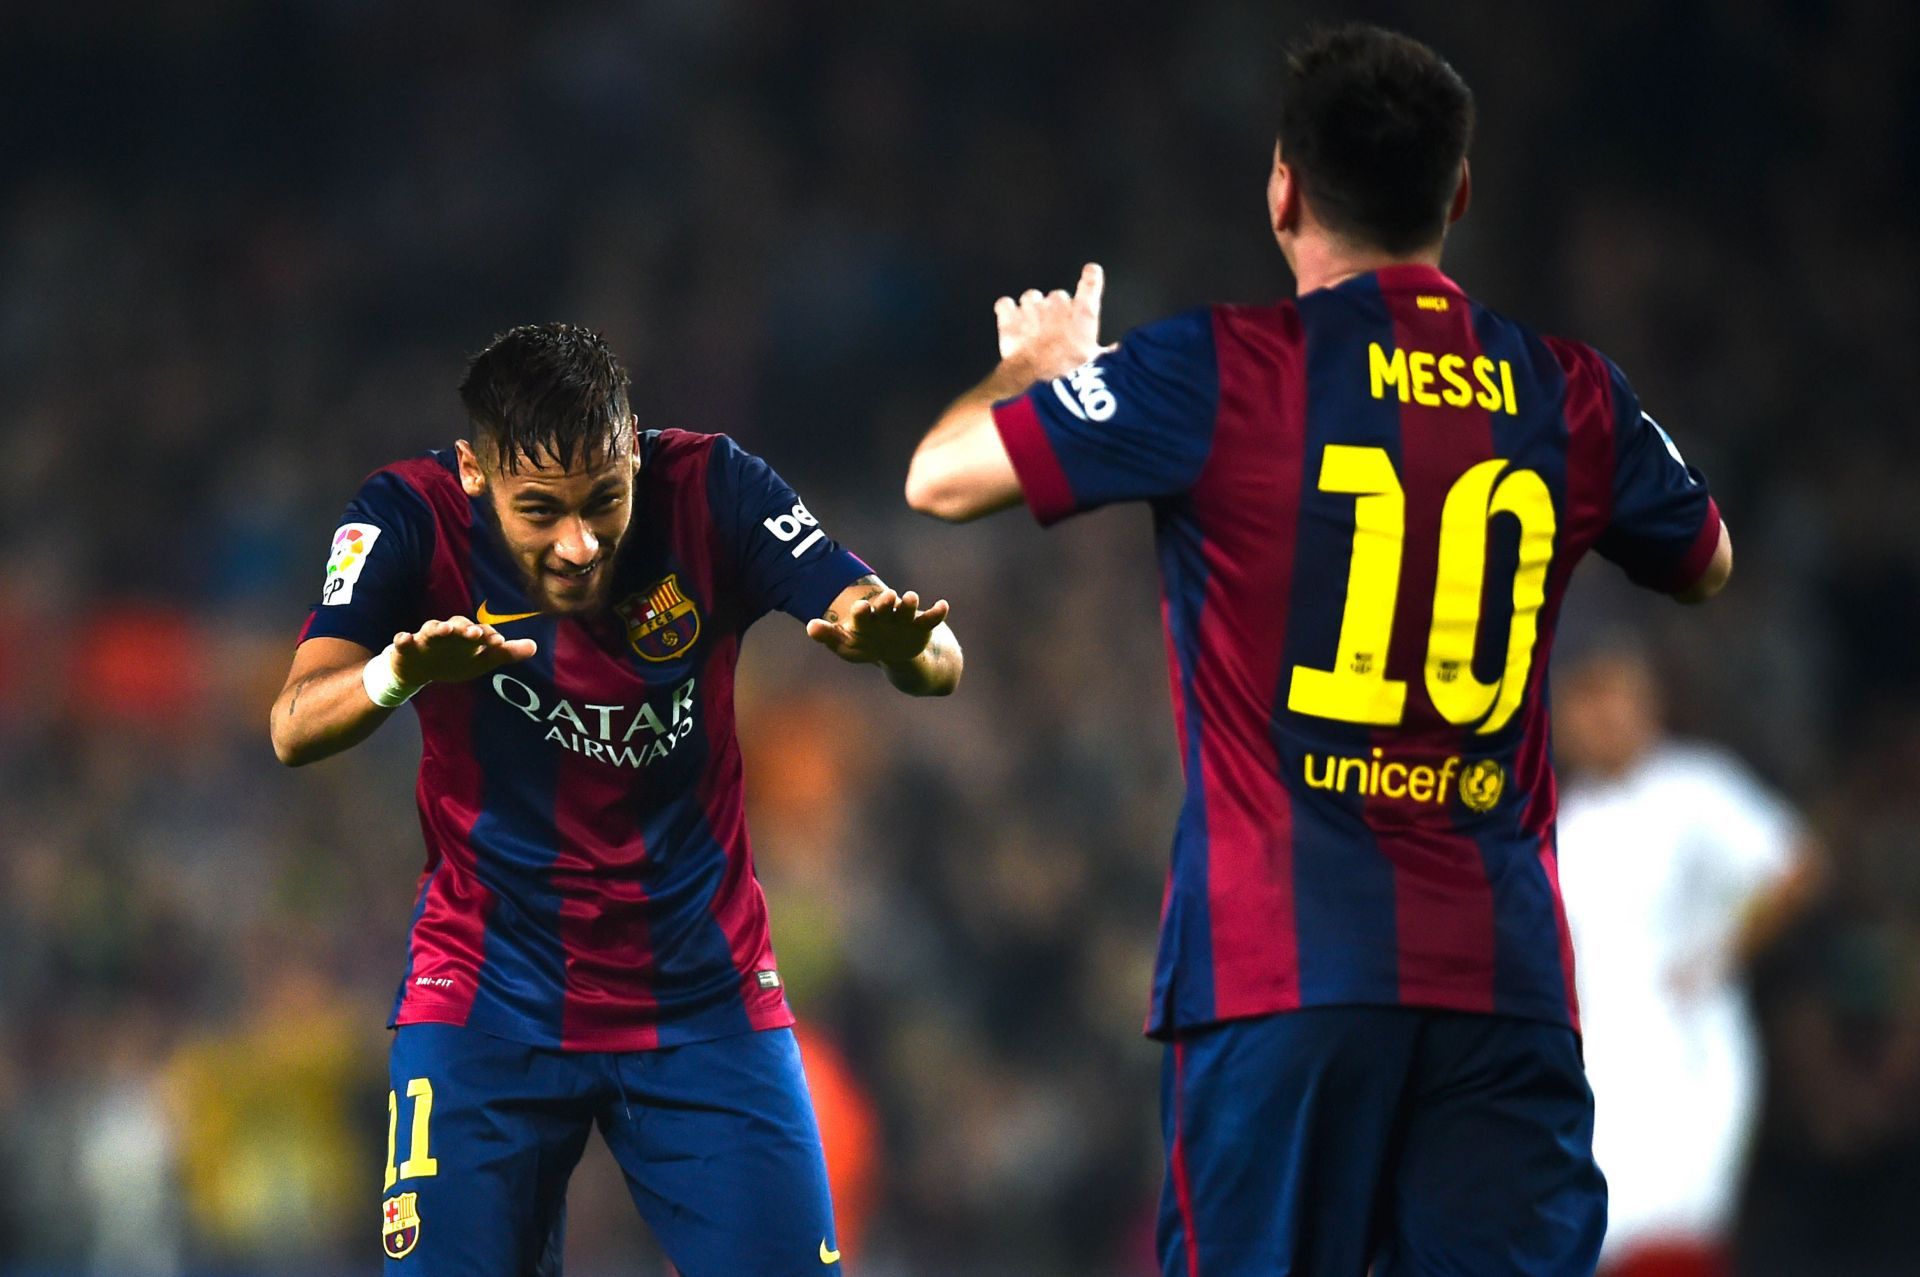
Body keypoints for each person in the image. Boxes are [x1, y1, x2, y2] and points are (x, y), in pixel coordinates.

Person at [905, 23, 1731, 1276]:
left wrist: (1031, 372)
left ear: (1283, 185)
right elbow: (1707, 556)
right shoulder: (1571, 391)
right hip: (1499, 981)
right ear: (1457, 192)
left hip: (1280, 974)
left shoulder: (1219, 373)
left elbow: (939, 480)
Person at [269, 322, 961, 1275]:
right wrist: (394, 672)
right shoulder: (406, 517)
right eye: (541, 511)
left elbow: (936, 656)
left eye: (603, 500)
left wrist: (901, 649)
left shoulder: (715, 489)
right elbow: (294, 722)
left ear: (635, 447)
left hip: (702, 997)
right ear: (475, 474)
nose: (579, 542)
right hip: (486, 994)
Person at [1554, 642, 1803, 1277]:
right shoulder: (1558, 815)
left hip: (1683, 1052)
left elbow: (1793, 866)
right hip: (1593, 1058)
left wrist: (1721, 953)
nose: (1601, 716)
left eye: (1614, 697)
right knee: (1594, 1235)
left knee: (1674, 1233)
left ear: (1649, 704)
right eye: (1585, 701)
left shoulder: (1694, 788)